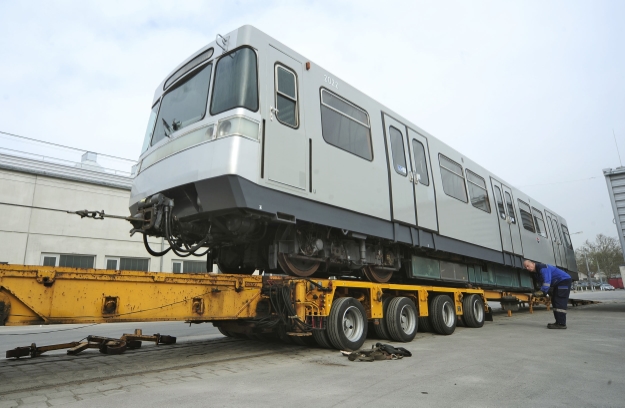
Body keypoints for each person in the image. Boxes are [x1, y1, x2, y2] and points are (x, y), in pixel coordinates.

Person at [523, 260, 572, 329]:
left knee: (559, 301)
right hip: (558, 283)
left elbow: (547, 281)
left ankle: (561, 324)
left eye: (528, 266)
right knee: (555, 300)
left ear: (533, 263)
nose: (527, 268)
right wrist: (542, 291)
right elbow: (541, 283)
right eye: (525, 267)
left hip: (563, 281)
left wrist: (543, 291)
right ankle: (559, 322)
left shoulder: (542, 268)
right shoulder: (536, 273)